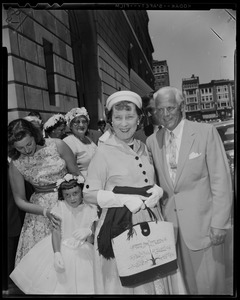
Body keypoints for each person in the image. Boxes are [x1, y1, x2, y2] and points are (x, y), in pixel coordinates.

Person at [83, 90, 186, 294]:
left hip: (150, 221)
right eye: (118, 118)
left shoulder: (143, 146)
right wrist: (120, 199)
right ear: (110, 121)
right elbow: (89, 193)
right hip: (119, 227)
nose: (124, 123)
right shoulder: (103, 152)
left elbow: (149, 178)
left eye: (129, 117)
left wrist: (157, 190)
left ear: (139, 119)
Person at [146, 86, 233, 295]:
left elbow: (221, 181)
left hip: (205, 228)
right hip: (172, 230)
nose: (165, 115)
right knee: (185, 288)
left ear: (182, 106)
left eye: (170, 108)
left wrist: (219, 224)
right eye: (160, 110)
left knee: (211, 287)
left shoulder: (205, 132)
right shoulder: (152, 141)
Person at [8, 118, 81, 267]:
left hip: (69, 202)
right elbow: (20, 200)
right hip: (40, 213)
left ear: (35, 135)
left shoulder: (57, 145)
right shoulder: (16, 164)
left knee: (75, 258)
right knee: (44, 264)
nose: (27, 150)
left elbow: (78, 176)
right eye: (20, 148)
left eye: (29, 144)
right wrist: (45, 212)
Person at [10, 174, 98, 294]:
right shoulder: (61, 207)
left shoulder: (90, 208)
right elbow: (56, 232)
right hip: (62, 247)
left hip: (83, 252)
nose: (72, 198)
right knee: (59, 286)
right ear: (62, 195)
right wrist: (57, 253)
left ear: (82, 192)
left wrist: (88, 231)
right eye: (67, 195)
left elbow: (92, 238)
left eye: (75, 193)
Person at [63, 107, 98, 179]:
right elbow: (72, 169)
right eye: (77, 122)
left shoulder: (88, 139)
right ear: (71, 125)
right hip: (83, 182)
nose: (81, 125)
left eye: (84, 121)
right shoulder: (69, 141)